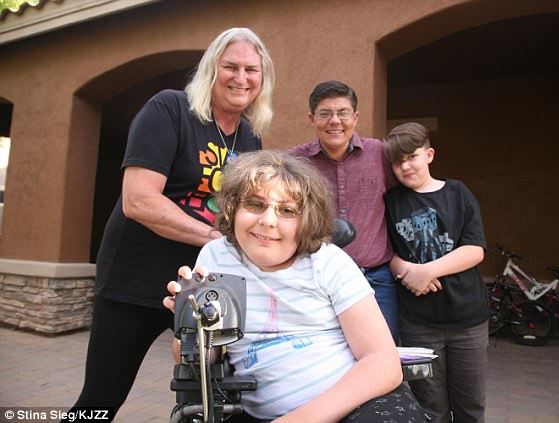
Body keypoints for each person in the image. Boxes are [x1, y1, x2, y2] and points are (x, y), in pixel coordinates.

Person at [66, 27, 275, 421]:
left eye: (251, 70)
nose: (241, 78)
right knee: (101, 399)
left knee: (211, 395)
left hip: (203, 284)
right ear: (211, 69)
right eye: (230, 66)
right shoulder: (170, 109)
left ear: (263, 79)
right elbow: (139, 200)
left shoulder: (250, 137)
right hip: (135, 280)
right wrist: (216, 237)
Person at [164, 150, 428, 423]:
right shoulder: (217, 257)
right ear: (233, 208)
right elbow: (200, 363)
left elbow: (383, 363)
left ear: (306, 221)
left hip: (357, 404)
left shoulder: (328, 262)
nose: (268, 220)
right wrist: (191, 328)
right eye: (255, 204)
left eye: (287, 210)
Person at [383, 122, 489, 423]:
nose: (405, 166)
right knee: (429, 408)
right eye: (398, 161)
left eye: (412, 157)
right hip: (418, 324)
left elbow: (475, 249)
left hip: (467, 321)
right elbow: (384, 251)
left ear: (429, 155)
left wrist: (426, 272)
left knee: (470, 407)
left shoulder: (457, 193)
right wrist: (406, 271)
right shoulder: (391, 202)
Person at [288, 80, 400, 342]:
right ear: (312, 118)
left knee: (384, 350)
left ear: (355, 117)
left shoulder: (380, 154)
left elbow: (405, 198)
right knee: (327, 351)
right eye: (325, 113)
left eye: (343, 113)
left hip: (376, 279)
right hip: (316, 281)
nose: (335, 121)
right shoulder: (295, 162)